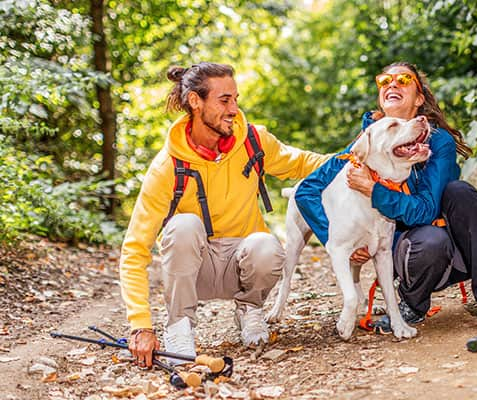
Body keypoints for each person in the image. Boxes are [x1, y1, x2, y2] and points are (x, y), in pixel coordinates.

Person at [119, 62, 329, 368]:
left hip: (240, 266)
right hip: (194, 269)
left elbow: (301, 163)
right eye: (224, 100)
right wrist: (141, 325)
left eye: (236, 99)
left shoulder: (254, 141)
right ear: (195, 101)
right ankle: (179, 325)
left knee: (267, 245)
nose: (233, 109)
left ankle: (249, 309)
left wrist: (356, 156)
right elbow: (134, 250)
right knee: (183, 225)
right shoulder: (167, 166)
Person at [294, 61, 477, 333]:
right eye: (384, 81)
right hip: (407, 257)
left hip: (453, 254)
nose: (392, 84)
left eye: (403, 80)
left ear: (419, 98)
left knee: (460, 192)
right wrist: (331, 238)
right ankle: (412, 306)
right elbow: (307, 191)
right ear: (381, 100)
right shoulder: (365, 144)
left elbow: (427, 210)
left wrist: (374, 190)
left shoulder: (437, 141)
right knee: (428, 241)